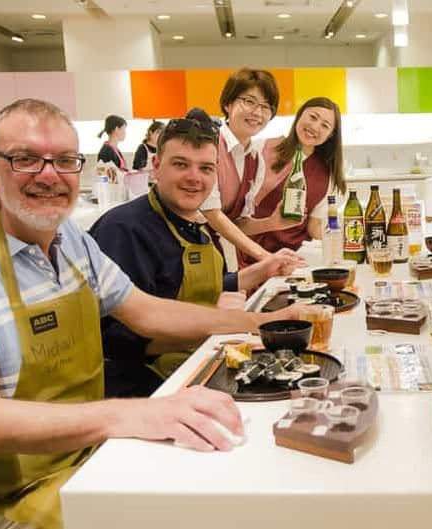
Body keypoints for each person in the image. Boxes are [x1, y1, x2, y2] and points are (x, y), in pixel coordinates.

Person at [0, 99, 300, 529]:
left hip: (89, 455)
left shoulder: (71, 240)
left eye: (66, 161)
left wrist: (263, 324)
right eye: (26, 159)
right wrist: (133, 413)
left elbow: (149, 312)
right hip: (6, 496)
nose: (49, 175)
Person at [90, 117, 301, 397]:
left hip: (196, 360)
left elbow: (202, 287)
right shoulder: (125, 229)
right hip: (147, 385)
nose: (194, 177)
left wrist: (263, 270)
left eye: (205, 168)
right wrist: (223, 324)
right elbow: (115, 339)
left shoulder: (192, 223)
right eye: (180, 164)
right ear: (156, 167)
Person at [235, 97, 346, 266]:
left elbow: (313, 227)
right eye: (313, 117)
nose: (315, 127)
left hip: (293, 260)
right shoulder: (261, 148)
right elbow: (236, 208)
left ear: (330, 135)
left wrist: (341, 237)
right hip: (250, 251)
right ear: (300, 115)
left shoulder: (327, 175)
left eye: (325, 125)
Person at [198, 68, 284, 263]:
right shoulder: (208, 143)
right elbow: (210, 212)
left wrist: (272, 222)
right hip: (183, 248)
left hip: (216, 254)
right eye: (249, 101)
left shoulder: (255, 159)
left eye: (266, 106)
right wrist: (263, 255)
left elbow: (238, 222)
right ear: (228, 103)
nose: (257, 112)